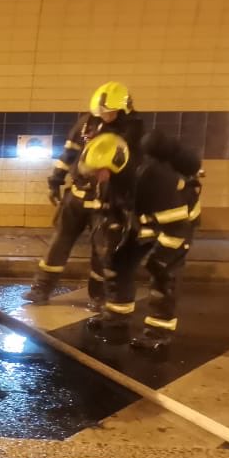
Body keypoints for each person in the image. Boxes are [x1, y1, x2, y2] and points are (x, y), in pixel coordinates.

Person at [26, 81, 144, 306]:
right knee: (59, 242)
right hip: (78, 195)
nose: (103, 116)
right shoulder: (86, 123)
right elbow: (69, 153)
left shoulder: (133, 130)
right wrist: (55, 180)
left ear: (123, 108)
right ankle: (41, 288)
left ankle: (98, 295)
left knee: (103, 251)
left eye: (108, 112)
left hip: (107, 200)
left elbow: (132, 164)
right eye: (101, 111)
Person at [86, 128, 204, 352]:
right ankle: (116, 316)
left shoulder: (156, 179)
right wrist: (111, 238)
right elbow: (110, 210)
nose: (96, 175)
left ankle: (158, 333)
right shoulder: (111, 178)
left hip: (176, 223)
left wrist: (160, 257)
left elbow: (177, 227)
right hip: (143, 222)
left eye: (100, 170)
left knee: (164, 274)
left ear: (116, 163)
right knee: (117, 262)